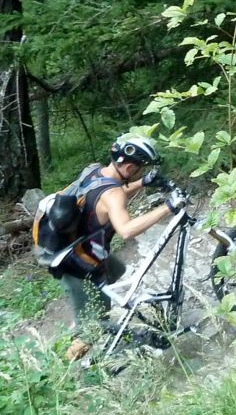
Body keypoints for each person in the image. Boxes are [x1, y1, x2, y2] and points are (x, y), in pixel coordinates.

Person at [59, 133, 186, 330]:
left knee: (116, 269)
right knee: (94, 327)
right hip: (78, 262)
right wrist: (168, 207)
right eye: (140, 168)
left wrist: (143, 182)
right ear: (129, 167)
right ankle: (76, 344)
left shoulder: (94, 171)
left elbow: (104, 195)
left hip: (71, 247)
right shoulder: (113, 194)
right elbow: (126, 230)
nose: (140, 171)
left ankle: (82, 313)